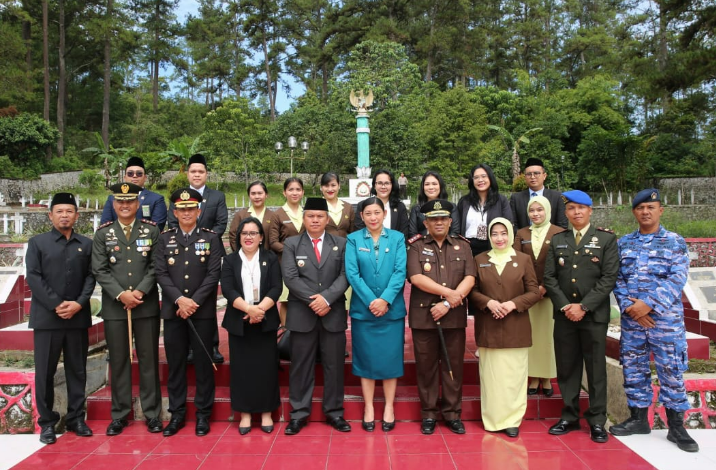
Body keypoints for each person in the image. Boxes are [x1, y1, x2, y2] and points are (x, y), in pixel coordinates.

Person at [610, 189, 698, 452]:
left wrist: (648, 305)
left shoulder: (674, 242)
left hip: (665, 321)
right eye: (640, 208)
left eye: (650, 207)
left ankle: (677, 427)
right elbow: (617, 278)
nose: (645, 212)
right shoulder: (624, 243)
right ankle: (638, 420)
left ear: (660, 210)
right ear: (634, 212)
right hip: (633, 321)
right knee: (633, 368)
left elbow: (677, 278)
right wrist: (630, 308)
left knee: (670, 370)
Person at [543, 190, 618, 444]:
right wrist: (566, 306)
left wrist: (583, 306)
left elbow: (608, 278)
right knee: (567, 367)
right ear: (565, 212)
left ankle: (597, 420)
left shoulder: (605, 239)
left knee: (596, 369)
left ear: (590, 210)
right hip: (565, 315)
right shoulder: (558, 240)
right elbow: (549, 278)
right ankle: (569, 415)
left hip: (593, 315)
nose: (576, 212)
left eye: (581, 208)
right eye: (571, 208)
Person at [92, 182, 163, 436]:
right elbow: (99, 269)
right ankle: (120, 414)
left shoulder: (151, 231)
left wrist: (139, 292)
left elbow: (156, 265)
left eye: (130, 201)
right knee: (119, 360)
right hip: (115, 307)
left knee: (148, 360)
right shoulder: (104, 234)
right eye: (120, 201)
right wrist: (122, 294)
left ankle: (152, 413)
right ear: (114, 204)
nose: (125, 205)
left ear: (137, 204)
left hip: (145, 305)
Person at [26, 193, 95, 444]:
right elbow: (33, 277)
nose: (64, 215)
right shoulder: (37, 243)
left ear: (77, 215)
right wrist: (56, 304)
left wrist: (78, 303)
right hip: (47, 319)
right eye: (59, 211)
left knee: (77, 370)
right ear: (50, 215)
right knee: (45, 371)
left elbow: (91, 276)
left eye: (69, 211)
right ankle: (47, 422)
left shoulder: (86, 244)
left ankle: (76, 418)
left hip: (77, 317)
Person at [155, 188, 224, 437]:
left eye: (191, 208)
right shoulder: (164, 239)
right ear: (175, 212)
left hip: (201, 311)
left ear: (198, 211)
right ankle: (177, 414)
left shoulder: (211, 238)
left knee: (204, 364)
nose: (186, 213)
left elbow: (213, 274)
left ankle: (203, 414)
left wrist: (193, 302)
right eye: (181, 209)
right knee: (176, 364)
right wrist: (180, 300)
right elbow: (161, 273)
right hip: (174, 311)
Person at [281, 198, 350, 435]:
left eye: (320, 216)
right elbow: (290, 277)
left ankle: (335, 412)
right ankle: (298, 414)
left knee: (334, 366)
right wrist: (315, 301)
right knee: (301, 366)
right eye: (310, 216)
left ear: (327, 219)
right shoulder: (292, 243)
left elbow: (345, 275)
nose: (315, 220)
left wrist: (327, 299)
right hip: (302, 314)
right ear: (304, 218)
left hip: (332, 313)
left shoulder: (341, 243)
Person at [407, 199, 475, 435]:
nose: (438, 222)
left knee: (453, 365)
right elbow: (416, 278)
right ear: (426, 223)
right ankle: (428, 414)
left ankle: (452, 414)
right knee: (426, 368)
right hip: (424, 316)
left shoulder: (462, 246)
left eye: (443, 219)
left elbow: (470, 277)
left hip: (453, 315)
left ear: (450, 221)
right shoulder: (416, 246)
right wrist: (450, 294)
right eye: (433, 219)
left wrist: (448, 302)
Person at [470, 218, 540, 438]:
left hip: (515, 327)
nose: (499, 238)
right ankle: (492, 418)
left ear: (510, 234)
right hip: (488, 326)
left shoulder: (523, 259)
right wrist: (488, 302)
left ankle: (512, 420)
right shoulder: (480, 259)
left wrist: (513, 304)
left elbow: (534, 292)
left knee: (513, 376)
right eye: (494, 234)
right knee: (491, 377)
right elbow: (472, 291)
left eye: (503, 233)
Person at [345, 197, 407, 432]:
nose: (373, 217)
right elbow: (352, 273)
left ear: (384, 214)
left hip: (391, 310)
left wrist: (385, 300)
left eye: (377, 213)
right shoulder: (353, 239)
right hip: (364, 311)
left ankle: (389, 406)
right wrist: (373, 301)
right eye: (368, 213)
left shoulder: (397, 238)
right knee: (366, 359)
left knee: (391, 359)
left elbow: (400, 271)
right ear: (361, 216)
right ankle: (369, 407)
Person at [221, 217, 282, 435]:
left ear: (261, 237)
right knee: (242, 370)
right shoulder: (230, 260)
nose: (248, 237)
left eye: (253, 233)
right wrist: (249, 309)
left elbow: (276, 287)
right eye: (244, 233)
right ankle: (245, 413)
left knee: (266, 368)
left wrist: (259, 310)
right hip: (240, 320)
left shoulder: (270, 258)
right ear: (239, 237)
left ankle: (266, 412)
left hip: (264, 320)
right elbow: (228, 290)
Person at [168, 154, 228, 364]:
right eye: (193, 171)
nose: (197, 175)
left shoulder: (217, 196)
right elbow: (172, 223)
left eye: (200, 171)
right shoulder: (177, 196)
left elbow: (221, 224)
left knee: (207, 300)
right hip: (180, 254)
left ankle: (212, 345)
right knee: (185, 296)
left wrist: (202, 240)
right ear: (187, 174)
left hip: (209, 254)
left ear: (206, 174)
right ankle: (187, 346)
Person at [513, 196, 566, 396]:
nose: (535, 214)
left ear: (548, 211)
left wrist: (544, 287)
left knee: (547, 337)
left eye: (540, 210)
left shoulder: (559, 232)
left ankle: (547, 378)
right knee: (531, 336)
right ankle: (533, 377)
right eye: (532, 210)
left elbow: (562, 264)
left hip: (550, 295)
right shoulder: (522, 233)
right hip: (528, 294)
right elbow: (517, 262)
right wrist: (531, 289)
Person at [267, 177, 304, 325]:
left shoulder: (307, 212)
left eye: (298, 189)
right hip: (285, 263)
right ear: (284, 192)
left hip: (308, 264)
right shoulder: (278, 214)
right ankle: (285, 331)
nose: (294, 193)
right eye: (291, 189)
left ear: (303, 192)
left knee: (306, 299)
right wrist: (291, 251)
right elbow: (273, 242)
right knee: (286, 300)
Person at [458, 164, 515, 257]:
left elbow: (508, 224)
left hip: (493, 248)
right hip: (467, 248)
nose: (480, 180)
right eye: (476, 177)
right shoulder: (464, 201)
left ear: (490, 178)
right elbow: (458, 227)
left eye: (484, 176)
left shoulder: (501, 200)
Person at [101, 156, 167, 230]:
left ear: (145, 178)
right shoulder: (112, 199)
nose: (134, 176)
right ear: (125, 177)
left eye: (139, 173)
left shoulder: (156, 199)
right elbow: (105, 226)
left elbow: (157, 228)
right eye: (130, 173)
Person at [509, 157, 568, 230]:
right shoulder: (516, 198)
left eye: (536, 173)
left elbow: (562, 225)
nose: (532, 177)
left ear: (544, 176)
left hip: (551, 236)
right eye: (529, 174)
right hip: (524, 236)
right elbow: (513, 225)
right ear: (525, 177)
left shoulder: (557, 197)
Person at [354, 169, 409, 239]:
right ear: (374, 185)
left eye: (387, 183)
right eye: (380, 183)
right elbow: (359, 232)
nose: (383, 187)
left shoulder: (400, 207)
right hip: (367, 245)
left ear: (392, 185)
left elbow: (403, 233)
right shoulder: (362, 205)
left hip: (394, 245)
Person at [408, 171, 459, 239]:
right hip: (421, 244)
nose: (431, 187)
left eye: (434, 184)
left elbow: (454, 232)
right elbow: (412, 233)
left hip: (447, 244)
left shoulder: (451, 207)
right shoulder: (416, 208)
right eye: (427, 184)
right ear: (423, 187)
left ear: (440, 186)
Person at [228, 181, 273, 253]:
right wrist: (240, 254)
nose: (257, 197)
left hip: (267, 256)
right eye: (253, 193)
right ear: (249, 196)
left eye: (260, 193)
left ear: (266, 195)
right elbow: (233, 236)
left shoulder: (273, 216)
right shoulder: (241, 215)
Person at [320, 172, 355, 237]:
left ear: (339, 186)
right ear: (321, 187)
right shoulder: (316, 207)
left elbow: (353, 232)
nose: (330, 189)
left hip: (345, 243)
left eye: (333, 185)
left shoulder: (348, 207)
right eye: (326, 186)